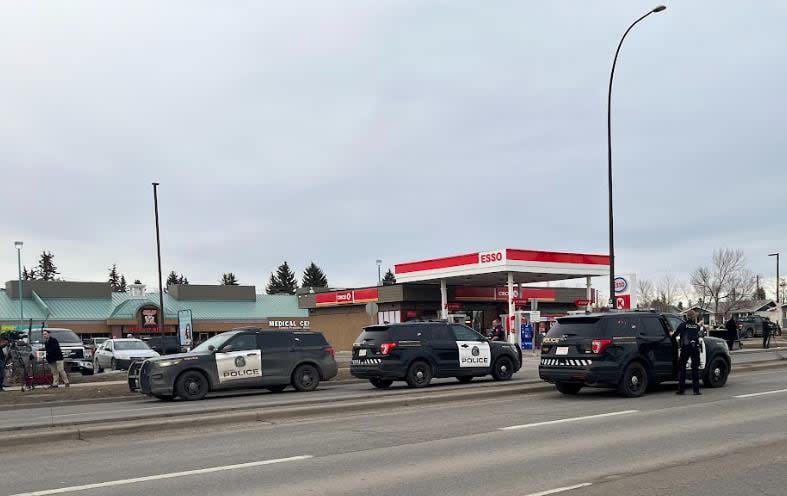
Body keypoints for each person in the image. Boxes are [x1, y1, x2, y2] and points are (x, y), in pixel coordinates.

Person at [674, 310, 702, 395]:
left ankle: (681, 390)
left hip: (685, 348)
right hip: (694, 348)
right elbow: (700, 335)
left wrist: (671, 337)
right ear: (694, 317)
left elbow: (675, 335)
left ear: (687, 316)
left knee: (682, 369)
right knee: (695, 369)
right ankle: (696, 390)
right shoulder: (697, 326)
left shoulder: (682, 325)